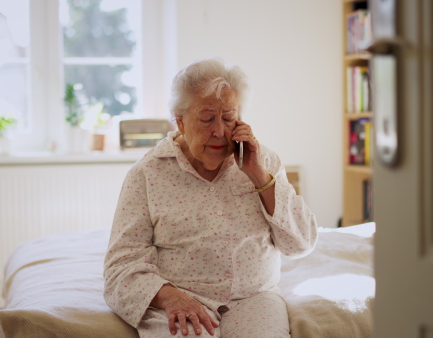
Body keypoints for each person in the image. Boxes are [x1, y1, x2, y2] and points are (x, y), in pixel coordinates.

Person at [103, 57, 318, 338]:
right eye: (206, 119)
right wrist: (169, 297)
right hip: (182, 299)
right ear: (180, 122)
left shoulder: (262, 160)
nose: (219, 130)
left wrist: (259, 176)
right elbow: (121, 265)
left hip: (254, 298)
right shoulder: (147, 173)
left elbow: (301, 244)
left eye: (228, 118)